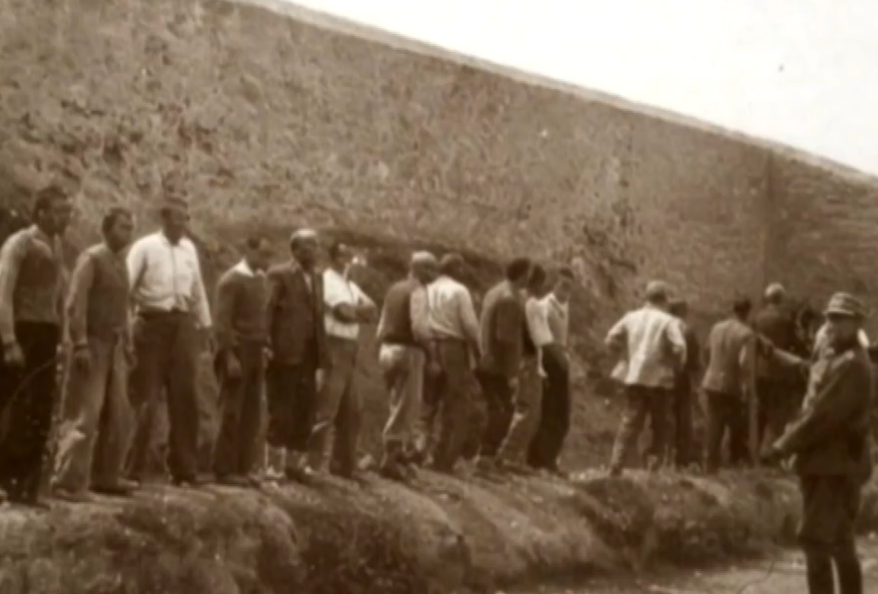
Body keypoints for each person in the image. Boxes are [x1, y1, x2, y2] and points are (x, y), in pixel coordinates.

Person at [763, 293, 874, 594]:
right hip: (828, 462)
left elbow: (822, 415)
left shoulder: (852, 364)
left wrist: (782, 445)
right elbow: (810, 377)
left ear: (857, 324)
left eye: (840, 319)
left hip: (834, 464)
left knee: (814, 539)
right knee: (839, 539)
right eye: (830, 318)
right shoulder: (835, 356)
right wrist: (776, 355)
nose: (832, 324)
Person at [125, 197, 213, 487]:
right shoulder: (145, 247)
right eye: (178, 219)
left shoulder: (189, 249)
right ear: (164, 218)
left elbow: (197, 290)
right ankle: (131, 469)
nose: (183, 225)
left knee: (185, 398)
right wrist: (129, 327)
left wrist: (206, 325)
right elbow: (126, 288)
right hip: (152, 324)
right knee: (146, 399)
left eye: (186, 219)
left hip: (183, 325)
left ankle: (184, 469)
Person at [51, 207, 137, 501]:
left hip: (114, 347)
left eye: (130, 228)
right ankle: (66, 481)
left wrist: (127, 342)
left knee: (119, 414)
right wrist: (80, 343)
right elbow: (76, 303)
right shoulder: (91, 259)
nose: (128, 233)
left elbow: (124, 307)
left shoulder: (121, 264)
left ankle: (106, 476)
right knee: (84, 414)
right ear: (106, 228)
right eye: (123, 227)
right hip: (92, 344)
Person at [0, 186, 72, 505]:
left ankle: (24, 484)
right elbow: (3, 292)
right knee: (10, 403)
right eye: (58, 211)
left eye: (67, 211)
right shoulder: (20, 243)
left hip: (46, 333)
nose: (64, 217)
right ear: (41, 212)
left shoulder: (56, 247)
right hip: (21, 331)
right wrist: (8, 340)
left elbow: (59, 297)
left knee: (38, 410)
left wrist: (63, 335)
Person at [307, 241, 376, 479]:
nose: (347, 260)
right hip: (333, 344)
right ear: (333, 257)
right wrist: (358, 313)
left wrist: (356, 311)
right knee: (326, 406)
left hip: (350, 347)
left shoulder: (350, 285)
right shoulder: (327, 280)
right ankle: (311, 463)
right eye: (342, 255)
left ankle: (343, 464)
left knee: (352, 408)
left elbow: (372, 308)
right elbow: (342, 312)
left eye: (349, 255)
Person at [605, 280, 686, 476]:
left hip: (635, 377)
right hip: (660, 381)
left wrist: (625, 356)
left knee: (629, 422)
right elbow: (679, 347)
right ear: (664, 300)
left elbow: (610, 339)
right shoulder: (668, 321)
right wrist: (675, 366)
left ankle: (616, 463)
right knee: (660, 425)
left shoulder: (630, 317)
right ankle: (653, 466)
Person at [264, 229, 326, 482]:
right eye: (308, 245)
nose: (313, 250)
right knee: (282, 407)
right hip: (284, 352)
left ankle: (294, 464)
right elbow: (267, 311)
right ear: (295, 249)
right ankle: (273, 466)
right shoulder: (279, 274)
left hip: (310, 354)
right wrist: (267, 344)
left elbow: (318, 317)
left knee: (305, 408)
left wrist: (322, 356)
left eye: (316, 245)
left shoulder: (317, 277)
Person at [212, 236, 273, 487]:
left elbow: (261, 319)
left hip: (256, 351)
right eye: (263, 254)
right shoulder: (231, 281)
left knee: (251, 412)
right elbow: (222, 324)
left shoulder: (260, 280)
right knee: (231, 410)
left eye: (269, 255)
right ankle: (223, 469)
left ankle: (243, 467)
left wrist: (265, 347)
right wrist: (228, 356)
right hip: (237, 351)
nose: (266, 260)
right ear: (249, 251)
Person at [416, 253, 481, 473]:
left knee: (427, 402)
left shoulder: (426, 288)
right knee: (454, 404)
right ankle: (442, 459)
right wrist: (478, 351)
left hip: (429, 346)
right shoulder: (459, 291)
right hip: (453, 348)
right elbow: (470, 326)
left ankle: (416, 451)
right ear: (456, 269)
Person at [375, 251, 438, 480]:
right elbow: (419, 329)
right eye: (430, 269)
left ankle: (386, 453)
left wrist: (378, 346)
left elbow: (382, 324)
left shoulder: (395, 289)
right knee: (407, 406)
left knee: (393, 402)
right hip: (408, 351)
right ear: (418, 269)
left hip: (387, 348)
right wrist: (431, 355)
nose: (433, 274)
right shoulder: (418, 291)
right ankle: (390, 459)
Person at [474, 257, 532, 473]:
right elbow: (505, 338)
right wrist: (511, 374)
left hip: (486, 358)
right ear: (522, 275)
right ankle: (486, 457)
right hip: (497, 365)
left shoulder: (495, 291)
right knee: (503, 410)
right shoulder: (510, 299)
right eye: (528, 273)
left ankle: (485, 456)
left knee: (496, 408)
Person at [495, 263, 548, 473]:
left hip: (523, 358)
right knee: (528, 410)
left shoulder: (520, 298)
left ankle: (513, 456)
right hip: (529, 358)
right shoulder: (530, 302)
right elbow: (539, 337)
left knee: (526, 409)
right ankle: (507, 455)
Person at [701, 296, 757, 473]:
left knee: (713, 424)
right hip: (732, 385)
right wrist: (747, 388)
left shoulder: (716, 327)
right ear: (747, 312)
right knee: (737, 426)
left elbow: (706, 351)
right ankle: (735, 464)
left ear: (732, 309)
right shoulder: (747, 334)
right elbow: (745, 363)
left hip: (711, 381)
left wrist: (711, 368)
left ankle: (710, 465)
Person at [527, 266, 574, 475]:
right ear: (554, 284)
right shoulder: (545, 306)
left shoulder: (565, 306)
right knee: (552, 412)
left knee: (561, 413)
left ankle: (549, 458)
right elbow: (544, 340)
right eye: (563, 285)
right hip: (550, 361)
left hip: (560, 360)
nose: (566, 291)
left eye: (570, 287)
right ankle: (540, 459)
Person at [753, 283, 800, 458]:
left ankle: (754, 450)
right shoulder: (785, 320)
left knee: (759, 411)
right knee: (777, 413)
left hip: (759, 371)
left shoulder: (757, 318)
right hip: (779, 371)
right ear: (781, 299)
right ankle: (772, 452)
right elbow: (795, 343)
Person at [668, 299, 700, 468]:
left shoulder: (663, 327)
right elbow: (694, 361)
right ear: (682, 312)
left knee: (664, 417)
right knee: (683, 419)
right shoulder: (687, 331)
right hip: (681, 379)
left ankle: (661, 457)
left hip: (662, 379)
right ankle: (681, 459)